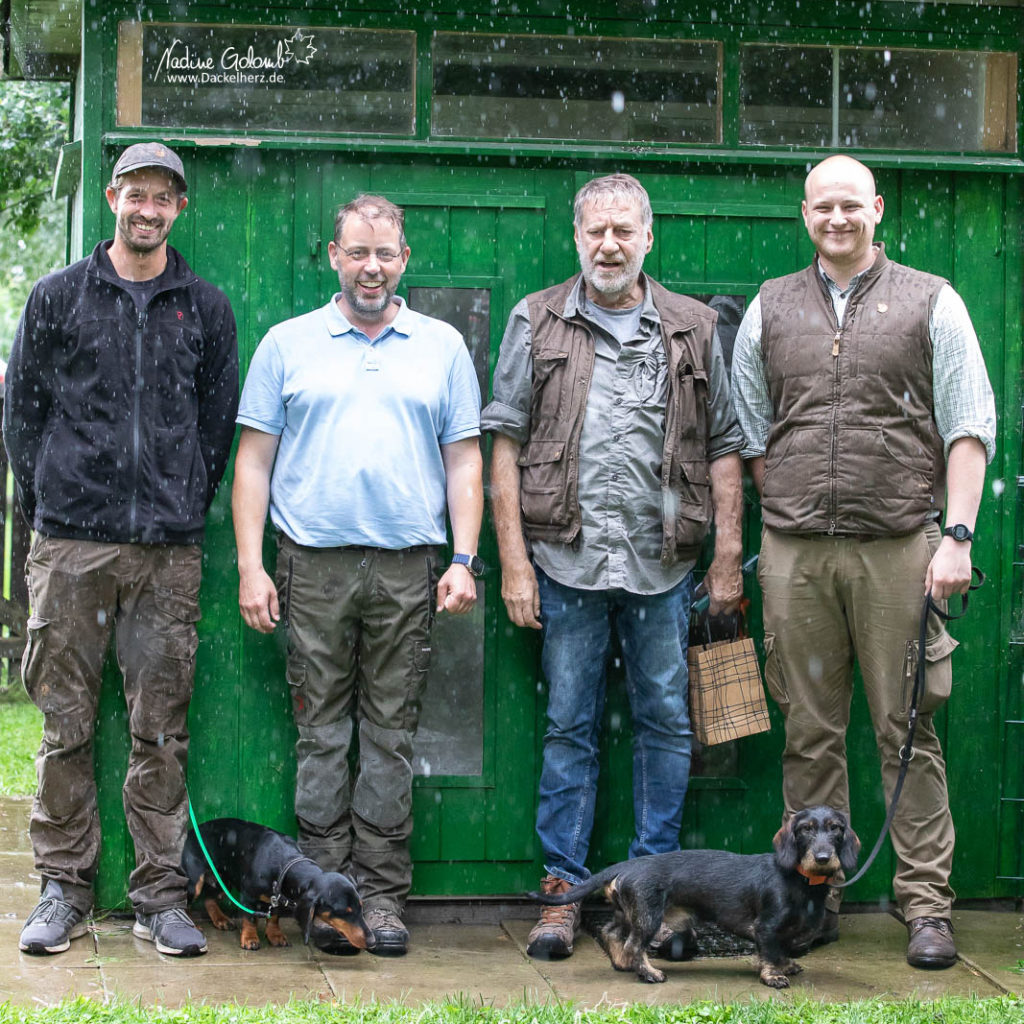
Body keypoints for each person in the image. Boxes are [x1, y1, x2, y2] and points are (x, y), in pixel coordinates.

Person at [730, 154, 997, 970]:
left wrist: (955, 536)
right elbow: (753, 432)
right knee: (809, 733)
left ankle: (924, 908)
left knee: (906, 731)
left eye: (852, 205)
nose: (837, 219)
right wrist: (797, 517)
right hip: (796, 552)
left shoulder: (933, 301)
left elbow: (968, 426)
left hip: (899, 550)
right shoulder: (768, 307)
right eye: (823, 207)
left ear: (876, 209)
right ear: (803, 214)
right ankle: (816, 903)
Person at [482, 173, 745, 960]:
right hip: (565, 563)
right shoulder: (536, 320)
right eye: (596, 230)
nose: (609, 244)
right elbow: (506, 446)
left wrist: (728, 553)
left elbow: (727, 443)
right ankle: (563, 895)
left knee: (666, 727)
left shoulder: (696, 328)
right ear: (576, 237)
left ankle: (652, 897)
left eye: (624, 231)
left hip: (666, 570)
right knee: (569, 728)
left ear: (648, 238)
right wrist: (513, 565)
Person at [232, 194, 483, 957]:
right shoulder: (287, 343)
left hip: (411, 569)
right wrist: (251, 565)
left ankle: (378, 897)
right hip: (310, 568)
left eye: (385, 253)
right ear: (332, 256)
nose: (371, 266)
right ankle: (322, 892)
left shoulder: (440, 346)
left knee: (390, 736)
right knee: (320, 733)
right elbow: (252, 461)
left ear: (404, 259)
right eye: (357, 252)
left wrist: (466, 558)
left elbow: (464, 459)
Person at [5, 142, 239, 958]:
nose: (147, 209)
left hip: (166, 557)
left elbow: (216, 429)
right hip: (70, 547)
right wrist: (52, 513)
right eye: (135, 194)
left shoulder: (203, 308)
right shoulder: (58, 297)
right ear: (112, 198)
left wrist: (177, 508)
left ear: (181, 210)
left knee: (160, 732)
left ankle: (158, 896)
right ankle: (64, 891)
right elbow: (21, 418)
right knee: (66, 727)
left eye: (163, 198)